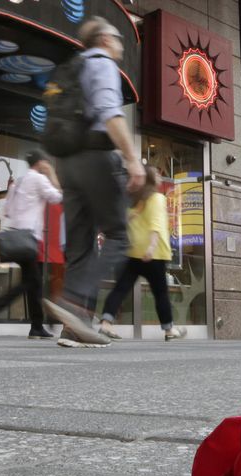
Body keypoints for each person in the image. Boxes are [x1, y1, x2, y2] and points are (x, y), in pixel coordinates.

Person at [43, 16, 147, 348]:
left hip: (68, 161)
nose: (121, 45)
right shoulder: (101, 64)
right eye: (118, 38)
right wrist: (133, 159)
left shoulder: (74, 66)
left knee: (80, 247)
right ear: (103, 40)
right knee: (119, 235)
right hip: (96, 156)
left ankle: (75, 328)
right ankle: (73, 302)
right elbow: (108, 112)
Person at [97, 166, 186, 341]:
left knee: (121, 289)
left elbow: (126, 223)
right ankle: (169, 330)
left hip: (133, 253)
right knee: (160, 293)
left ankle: (106, 323)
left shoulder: (134, 201)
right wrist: (151, 248)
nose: (161, 177)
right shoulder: (157, 198)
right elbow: (156, 225)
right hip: (154, 254)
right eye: (158, 174)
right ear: (152, 180)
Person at [0, 151, 62, 339]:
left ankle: (37, 326)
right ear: (41, 163)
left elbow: (8, 211)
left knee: (33, 283)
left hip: (15, 238)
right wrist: (52, 175)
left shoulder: (18, 182)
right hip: (28, 239)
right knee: (31, 282)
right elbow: (57, 197)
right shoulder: (38, 179)